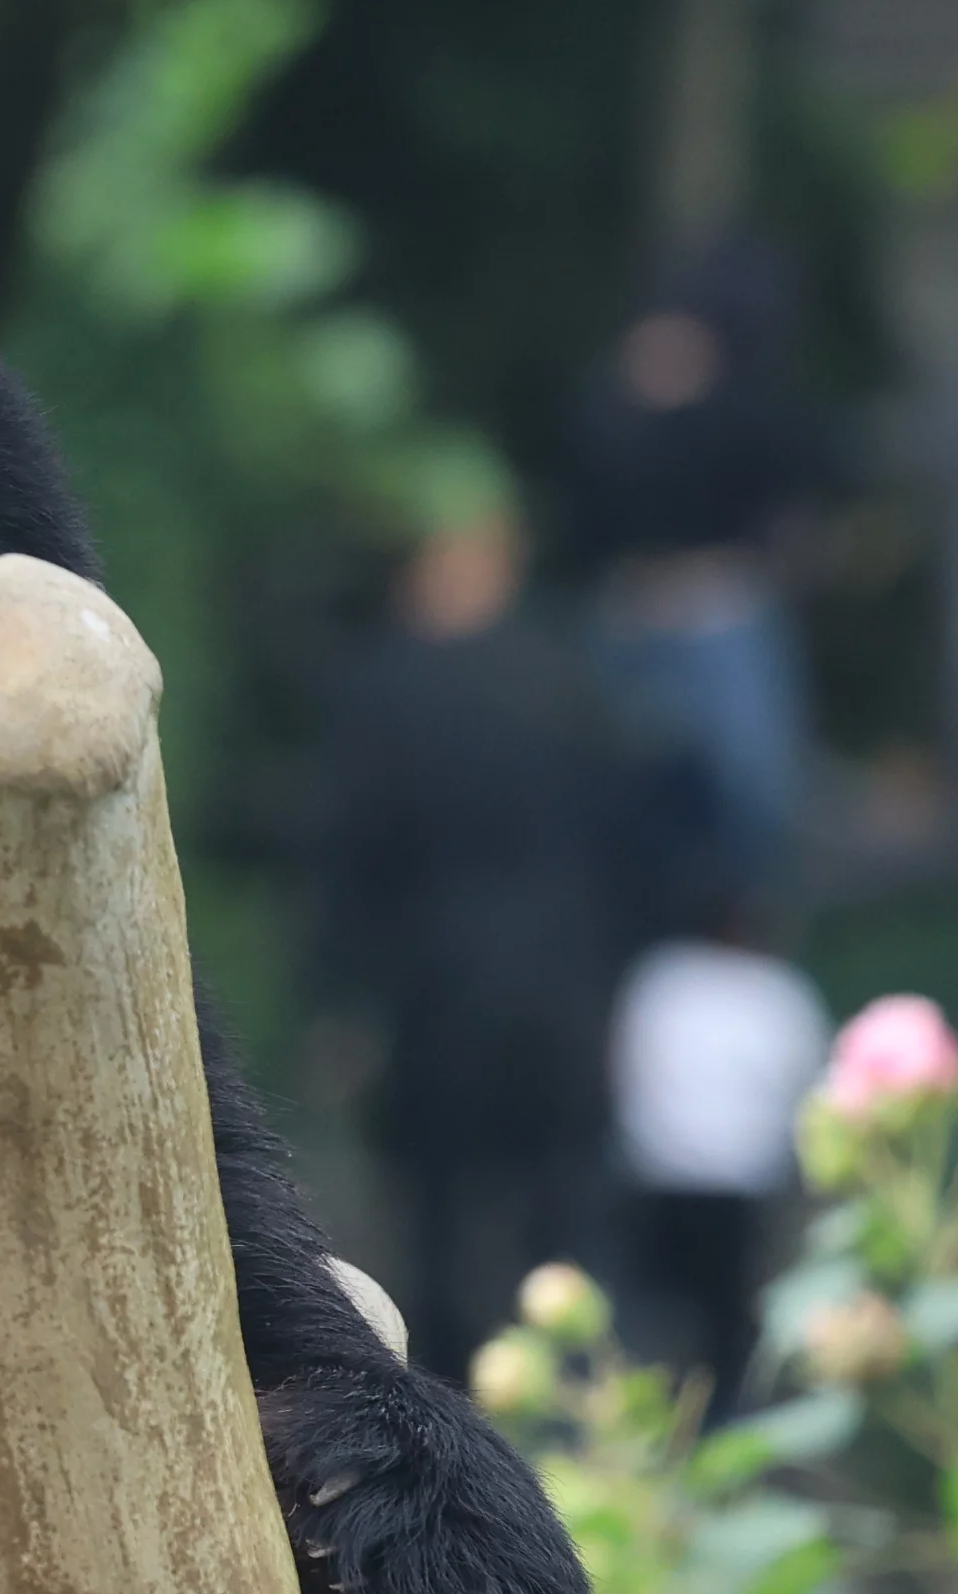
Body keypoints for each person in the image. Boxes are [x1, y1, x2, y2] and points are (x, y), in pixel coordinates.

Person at [305, 500, 652, 1365]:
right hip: (565, 982)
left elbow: (352, 856)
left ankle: (450, 1405)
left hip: (437, 990)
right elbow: (630, 843)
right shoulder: (572, 683)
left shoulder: (385, 688)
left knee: (433, 1215)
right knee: (569, 1205)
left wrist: (340, 1003)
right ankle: (580, 1394)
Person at [568, 230, 838, 917]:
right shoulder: (612, 410)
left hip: (720, 610)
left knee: (756, 801)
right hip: (631, 612)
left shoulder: (750, 409)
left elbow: (797, 491)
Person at [608, 894, 824, 1404]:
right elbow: (805, 1082)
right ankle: (724, 1413)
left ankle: (652, 1413)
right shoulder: (778, 991)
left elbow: (626, 1070)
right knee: (730, 1319)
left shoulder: (661, 979)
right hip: (741, 1181)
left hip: (661, 1173)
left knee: (656, 1313)